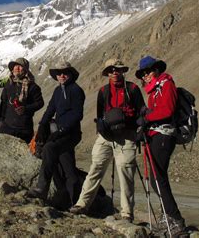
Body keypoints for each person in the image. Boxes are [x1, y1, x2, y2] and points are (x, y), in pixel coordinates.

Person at [70, 59, 144, 222]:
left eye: (117, 69)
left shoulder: (133, 89)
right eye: (111, 70)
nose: (114, 73)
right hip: (105, 137)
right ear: (107, 73)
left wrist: (139, 132)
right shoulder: (103, 91)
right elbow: (100, 114)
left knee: (125, 173)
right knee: (96, 167)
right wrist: (101, 128)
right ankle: (82, 204)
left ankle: (126, 213)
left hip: (127, 136)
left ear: (122, 71)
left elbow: (141, 113)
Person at [135, 56, 186, 235]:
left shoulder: (166, 84)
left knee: (159, 179)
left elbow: (167, 110)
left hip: (164, 135)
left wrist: (147, 117)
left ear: (156, 70)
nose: (146, 75)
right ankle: (169, 216)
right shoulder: (154, 89)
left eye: (148, 71)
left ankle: (175, 219)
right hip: (155, 136)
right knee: (158, 179)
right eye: (143, 73)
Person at [26, 61, 85, 206]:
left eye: (65, 73)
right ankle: (71, 200)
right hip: (59, 133)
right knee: (67, 166)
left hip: (71, 134)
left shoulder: (76, 90)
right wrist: (42, 126)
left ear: (70, 74)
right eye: (59, 73)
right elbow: (50, 109)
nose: (62, 75)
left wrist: (61, 130)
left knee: (49, 149)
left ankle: (42, 188)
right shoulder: (58, 91)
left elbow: (77, 114)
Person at [0, 57, 44, 143]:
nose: (17, 68)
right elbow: (4, 103)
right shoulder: (9, 84)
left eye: (20, 66)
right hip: (7, 126)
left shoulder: (33, 87)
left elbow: (40, 103)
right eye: (15, 66)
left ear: (25, 69)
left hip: (24, 129)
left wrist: (25, 108)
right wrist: (1, 120)